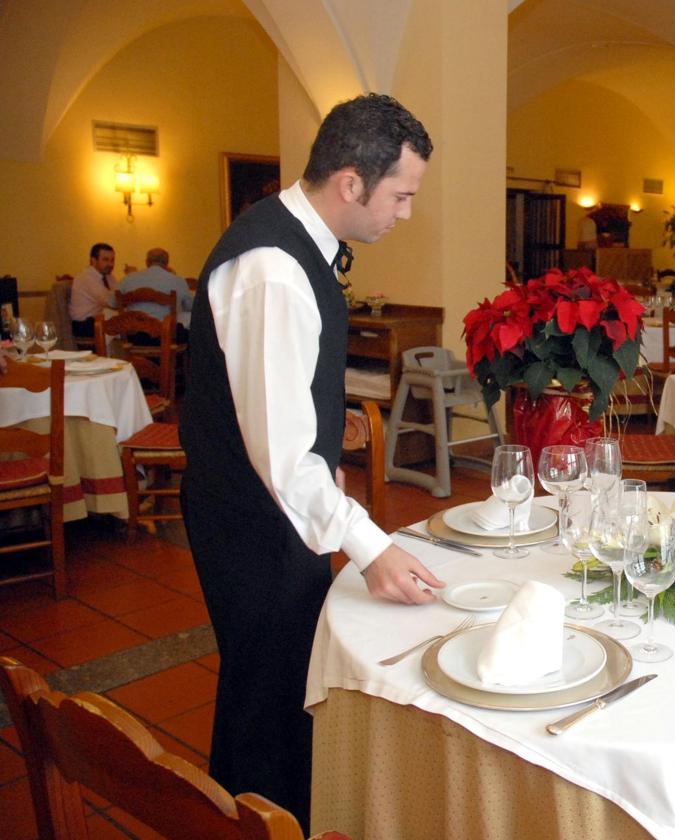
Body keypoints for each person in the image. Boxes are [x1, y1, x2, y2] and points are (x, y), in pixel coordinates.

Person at [180, 94, 441, 831]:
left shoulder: (297, 244)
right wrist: (372, 547)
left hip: (269, 507)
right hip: (253, 519)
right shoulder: (273, 268)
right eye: (402, 194)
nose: (407, 212)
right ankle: (255, 818)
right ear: (352, 182)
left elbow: (274, 399)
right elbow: (286, 460)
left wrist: (336, 432)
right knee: (264, 695)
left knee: (277, 682)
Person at [116, 247, 194, 342]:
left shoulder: (128, 279)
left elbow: (112, 302)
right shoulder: (178, 281)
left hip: (133, 337)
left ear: (147, 262)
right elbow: (190, 306)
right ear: (167, 263)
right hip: (166, 337)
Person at [69, 242, 116, 337]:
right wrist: (131, 277)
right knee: (126, 327)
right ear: (93, 260)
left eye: (112, 260)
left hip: (98, 320)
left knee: (130, 325)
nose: (110, 264)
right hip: (84, 325)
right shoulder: (86, 277)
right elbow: (111, 302)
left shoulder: (109, 277)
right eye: (106, 260)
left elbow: (118, 297)